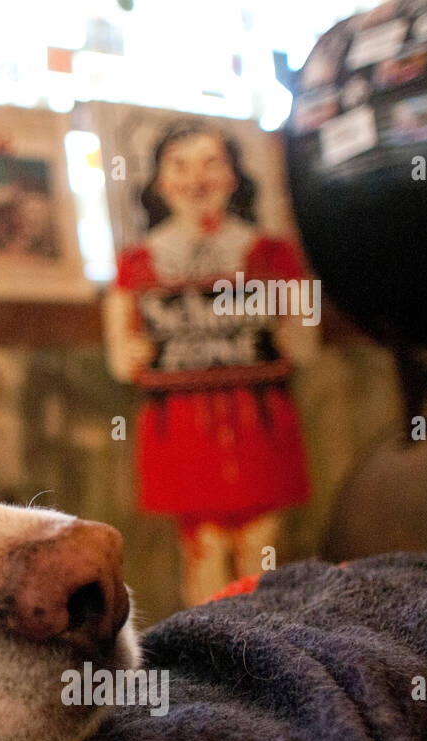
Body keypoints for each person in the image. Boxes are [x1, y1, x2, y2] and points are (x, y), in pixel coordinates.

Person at [103, 120, 318, 606]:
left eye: (210, 164)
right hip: (182, 426)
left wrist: (291, 326)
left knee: (262, 543)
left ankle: (264, 647)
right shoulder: (138, 263)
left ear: (233, 176)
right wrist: (134, 351)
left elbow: (305, 340)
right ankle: (215, 653)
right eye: (180, 165)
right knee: (203, 545)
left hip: (259, 422)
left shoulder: (274, 254)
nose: (196, 179)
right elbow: (121, 354)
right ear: (160, 181)